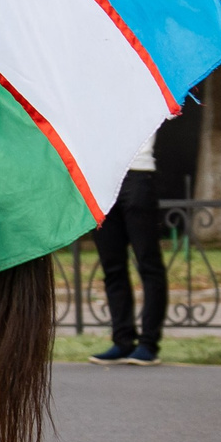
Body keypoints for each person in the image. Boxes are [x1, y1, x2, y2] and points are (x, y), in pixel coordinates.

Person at [92, 129, 169, 364]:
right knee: (112, 266)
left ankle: (148, 344)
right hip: (102, 179)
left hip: (138, 175)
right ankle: (122, 341)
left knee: (148, 263)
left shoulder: (147, 90)